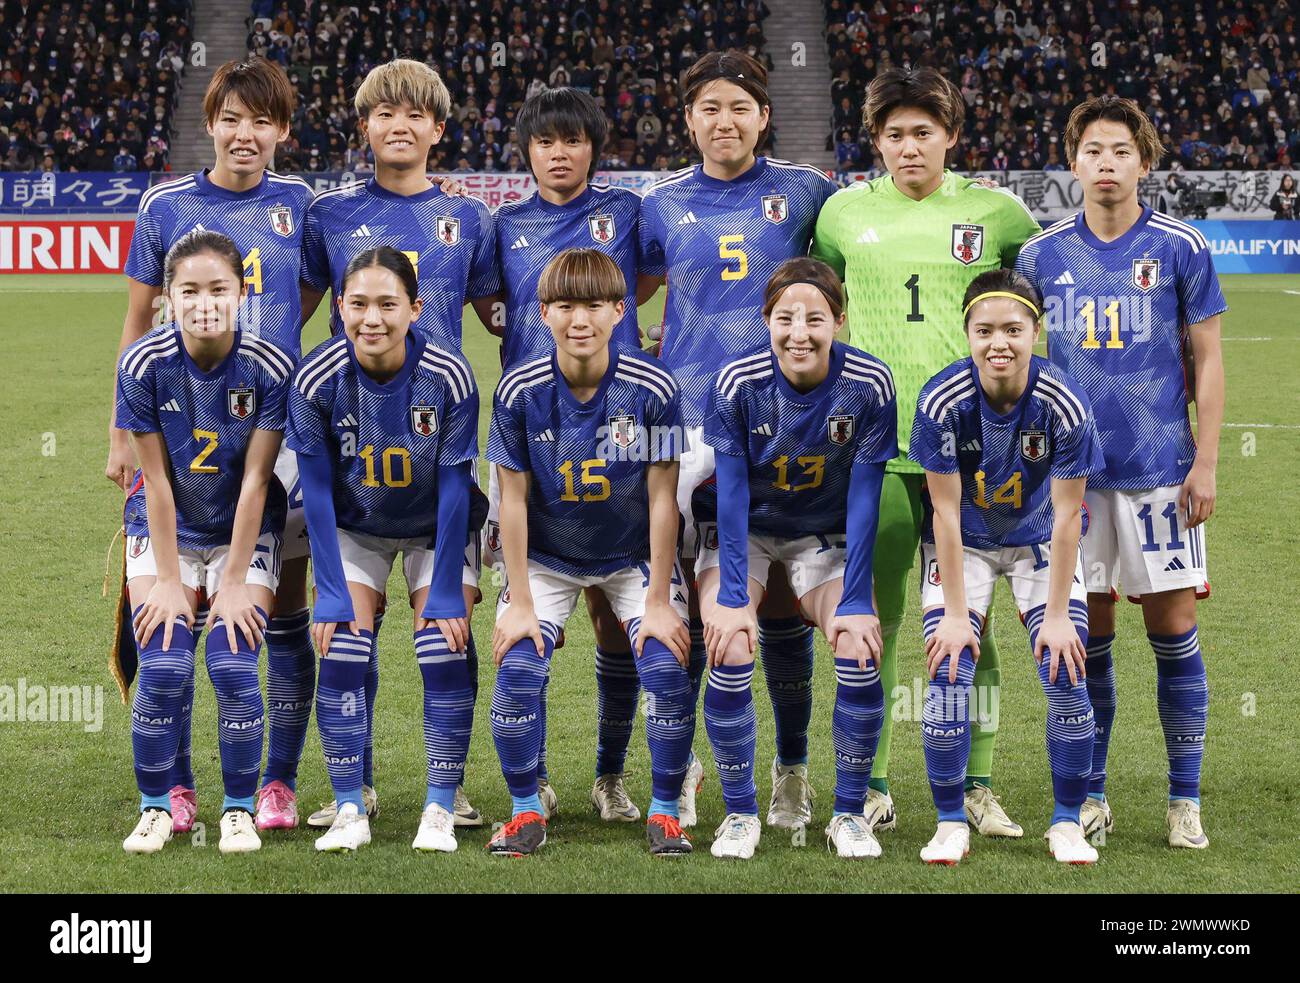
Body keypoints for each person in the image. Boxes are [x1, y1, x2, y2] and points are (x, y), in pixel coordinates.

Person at [812, 67, 1042, 837]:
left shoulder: (999, 213)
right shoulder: (842, 214)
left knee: (966, 623)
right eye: (894, 134)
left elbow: (1032, 318)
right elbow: (819, 314)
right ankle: (870, 781)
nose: (909, 146)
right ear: (874, 141)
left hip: (973, 457)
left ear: (950, 134)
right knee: (867, 621)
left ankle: (975, 782)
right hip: (873, 453)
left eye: (924, 131)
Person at [108, 57, 314, 834]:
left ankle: (276, 783)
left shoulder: (300, 203)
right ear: (211, 122)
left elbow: (322, 289)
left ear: (282, 131)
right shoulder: (166, 205)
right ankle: (179, 788)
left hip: (275, 436)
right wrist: (117, 434)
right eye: (232, 118)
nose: (246, 134)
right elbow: (137, 320)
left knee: (277, 614)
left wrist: (270, 347)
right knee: (171, 625)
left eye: (263, 121)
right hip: (178, 419)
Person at [1015, 95, 1226, 849]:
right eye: (1093, 151)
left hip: (1161, 476)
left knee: (1174, 631)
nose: (1106, 163)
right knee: (1088, 634)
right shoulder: (1039, 257)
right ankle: (1094, 792)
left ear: (1145, 160)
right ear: (1073, 162)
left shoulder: (1181, 247)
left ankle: (1183, 798)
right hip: (1072, 483)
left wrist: (1204, 461)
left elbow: (1207, 359)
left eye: (1121, 151)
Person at [639, 50, 840, 830]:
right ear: (688, 119)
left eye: (740, 107)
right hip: (685, 426)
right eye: (709, 107)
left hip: (786, 427)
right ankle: (681, 766)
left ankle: (791, 772)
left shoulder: (806, 192)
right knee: (693, 603)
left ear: (764, 115)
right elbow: (624, 286)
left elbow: (843, 278)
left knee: (783, 602)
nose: (725, 121)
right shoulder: (656, 204)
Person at [299, 59, 498, 830]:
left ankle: (450, 785)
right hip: (349, 444)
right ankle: (361, 785)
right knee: (346, 633)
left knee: (447, 630)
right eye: (384, 113)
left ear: (438, 129)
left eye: (414, 114)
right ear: (365, 126)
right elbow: (301, 309)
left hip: (440, 439)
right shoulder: (328, 216)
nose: (399, 126)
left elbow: (498, 313)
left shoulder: (470, 218)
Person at [485, 87, 667, 822]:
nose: (559, 154)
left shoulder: (626, 211)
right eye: (545, 142)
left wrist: (615, 340)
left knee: (614, 620)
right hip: (538, 426)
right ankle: (532, 784)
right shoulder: (505, 225)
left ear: (595, 147)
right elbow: (490, 301)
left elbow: (648, 277)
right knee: (533, 615)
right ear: (526, 151)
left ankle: (610, 776)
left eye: (574, 141)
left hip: (621, 420)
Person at [485, 249, 695, 856]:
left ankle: (664, 811)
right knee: (519, 664)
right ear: (543, 312)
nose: (581, 319)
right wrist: (520, 600)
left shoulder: (653, 388)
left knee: (664, 662)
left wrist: (658, 597)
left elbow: (663, 498)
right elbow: (514, 501)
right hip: (547, 557)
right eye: (566, 306)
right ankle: (526, 809)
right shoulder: (519, 390)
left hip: (631, 556)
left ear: (619, 311)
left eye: (595, 306)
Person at [694, 258, 897, 859]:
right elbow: (729, 496)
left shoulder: (869, 384)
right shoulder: (738, 382)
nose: (799, 333)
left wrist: (857, 600)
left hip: (821, 534)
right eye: (785, 319)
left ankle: (847, 814)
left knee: (859, 645)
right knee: (728, 640)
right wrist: (732, 596)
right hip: (746, 533)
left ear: (839, 320)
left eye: (815, 318)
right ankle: (738, 813)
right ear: (766, 321)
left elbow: (864, 501)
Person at [288, 248, 479, 854]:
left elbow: (454, 489)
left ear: (415, 309)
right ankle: (350, 804)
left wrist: (447, 585)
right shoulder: (315, 379)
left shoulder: (448, 374)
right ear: (339, 306)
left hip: (435, 526)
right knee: (343, 640)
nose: (373, 318)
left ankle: (441, 807)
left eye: (388, 304)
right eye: (359, 304)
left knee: (442, 644)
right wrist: (331, 588)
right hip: (355, 525)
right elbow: (315, 491)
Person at [912, 269, 1104, 865]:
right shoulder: (942, 400)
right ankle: (949, 821)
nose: (1000, 342)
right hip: (962, 542)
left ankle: (1067, 822)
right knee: (948, 673)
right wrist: (950, 614)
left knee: (1064, 666)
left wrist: (1054, 615)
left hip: (1040, 541)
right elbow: (943, 512)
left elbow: (1070, 515)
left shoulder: (1063, 401)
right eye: (985, 329)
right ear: (966, 332)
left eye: (1014, 330)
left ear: (1036, 332)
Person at [116, 230, 293, 855]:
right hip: (165, 528)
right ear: (168, 297)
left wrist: (237, 577)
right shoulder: (143, 364)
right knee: (163, 662)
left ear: (241, 293)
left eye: (218, 289)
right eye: (189, 290)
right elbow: (156, 482)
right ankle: (157, 806)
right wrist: (168, 579)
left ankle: (239, 810)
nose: (204, 302)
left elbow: (255, 480)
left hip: (242, 533)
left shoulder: (269, 367)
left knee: (234, 663)